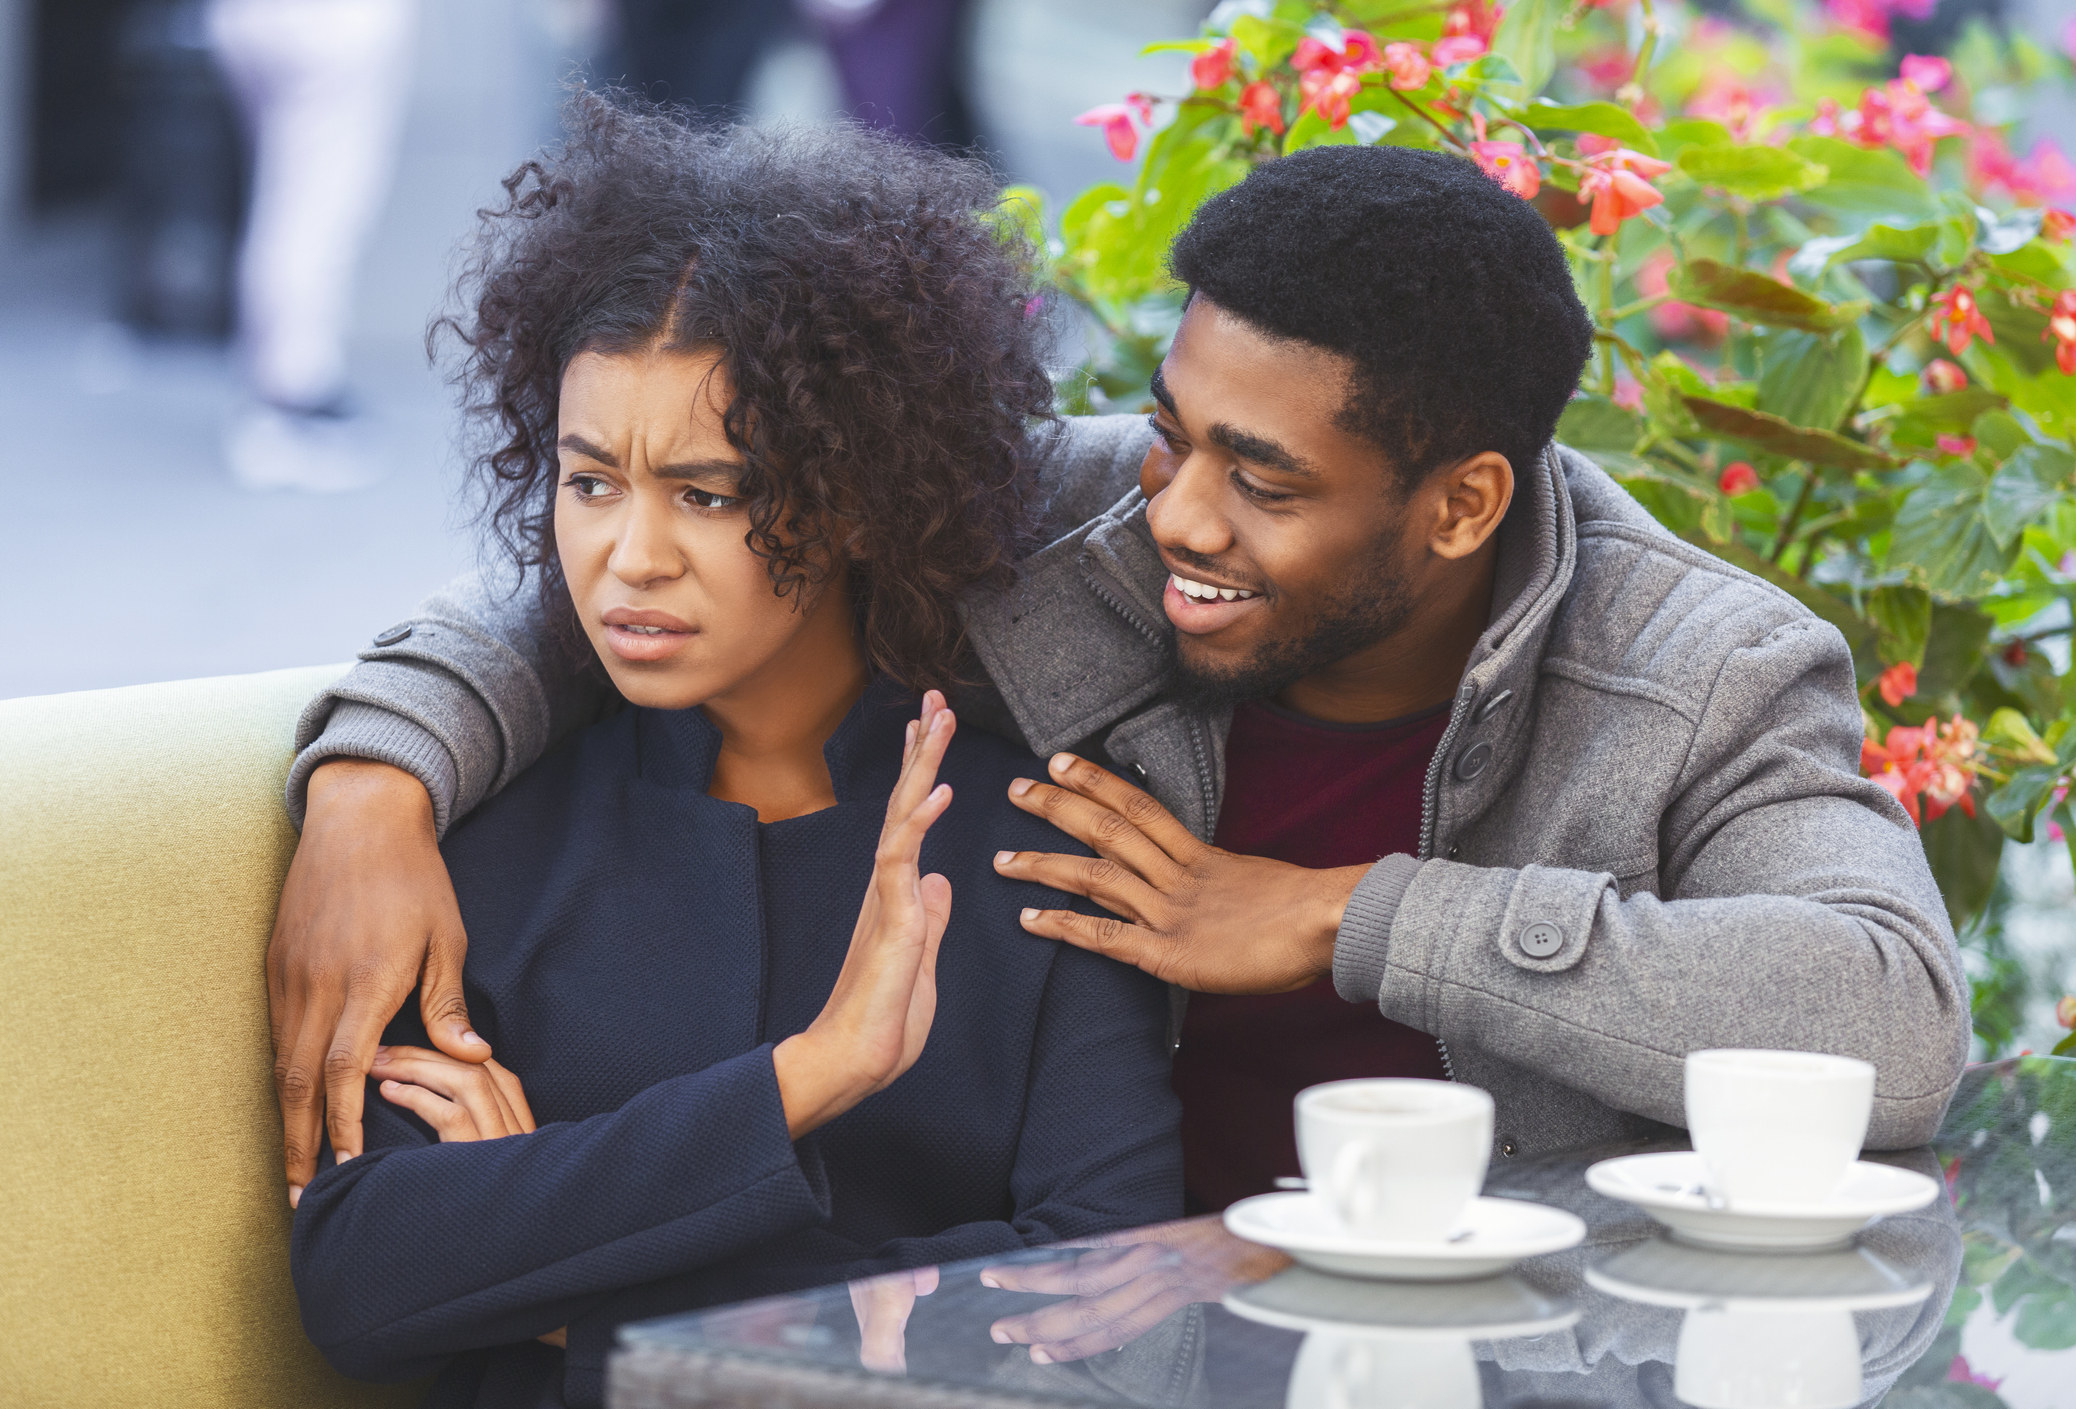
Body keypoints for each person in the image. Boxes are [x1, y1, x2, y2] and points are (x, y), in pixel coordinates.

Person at [269, 142, 1969, 1249]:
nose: (1174, 512)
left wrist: (1344, 916)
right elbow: (676, 545)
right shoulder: (1082, 517)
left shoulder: (1696, 669)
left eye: (1263, 478)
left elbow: (1888, 1019)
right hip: (1116, 1312)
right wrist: (374, 777)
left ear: (1456, 503)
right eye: (1171, 427)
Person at [284, 97, 1181, 1405]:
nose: (628, 558)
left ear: (860, 494)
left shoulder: (1040, 840)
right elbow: (360, 1284)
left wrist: (564, 1282)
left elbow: (1110, 1316)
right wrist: (809, 1078)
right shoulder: (485, 832)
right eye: (591, 482)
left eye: (707, 494)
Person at [206, 0, 416, 492]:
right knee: (314, 216)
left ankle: (273, 389)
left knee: (283, 206)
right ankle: (291, 403)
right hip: (331, 24)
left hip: (246, 20)